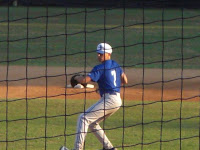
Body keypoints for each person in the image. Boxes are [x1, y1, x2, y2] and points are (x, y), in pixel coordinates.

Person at [60, 43, 128, 150]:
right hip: (117, 100)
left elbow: (84, 80)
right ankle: (109, 148)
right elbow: (125, 80)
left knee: (83, 118)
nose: (99, 56)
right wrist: (108, 87)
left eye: (101, 54)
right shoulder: (116, 65)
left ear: (108, 54)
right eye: (98, 54)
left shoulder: (99, 68)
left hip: (109, 100)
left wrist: (77, 78)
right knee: (93, 124)